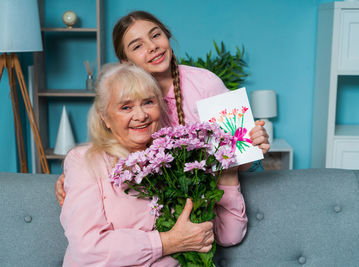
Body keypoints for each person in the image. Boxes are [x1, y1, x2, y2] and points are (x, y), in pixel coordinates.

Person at [55, 10, 270, 206]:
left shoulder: (206, 83)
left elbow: (239, 157)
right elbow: (111, 149)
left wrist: (254, 142)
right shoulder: (124, 98)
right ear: (125, 61)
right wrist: (76, 177)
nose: (152, 46)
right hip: (175, 197)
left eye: (155, 35)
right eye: (137, 46)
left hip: (230, 184)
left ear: (167, 36)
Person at [60, 63, 248, 266]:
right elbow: (87, 248)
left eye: (148, 102)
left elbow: (228, 236)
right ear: (104, 116)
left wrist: (229, 174)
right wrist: (168, 242)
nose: (141, 116)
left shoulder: (180, 161)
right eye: (126, 107)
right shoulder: (84, 160)